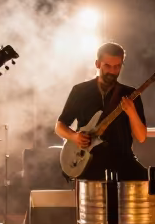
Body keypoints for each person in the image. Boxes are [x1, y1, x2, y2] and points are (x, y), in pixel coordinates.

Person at [55, 42, 147, 180]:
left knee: (146, 180)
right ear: (97, 64)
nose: (112, 71)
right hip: (88, 163)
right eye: (107, 66)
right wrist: (75, 137)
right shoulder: (80, 91)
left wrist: (132, 112)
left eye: (117, 66)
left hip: (123, 161)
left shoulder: (130, 94)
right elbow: (59, 126)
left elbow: (141, 137)